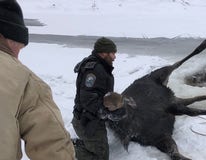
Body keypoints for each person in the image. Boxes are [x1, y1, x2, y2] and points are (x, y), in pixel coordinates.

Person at [0, 0, 75, 159]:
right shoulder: (24, 81)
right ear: (7, 38)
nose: (18, 56)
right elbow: (52, 147)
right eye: (19, 47)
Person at [72, 37, 125, 160]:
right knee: (100, 157)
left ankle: (82, 144)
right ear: (104, 53)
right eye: (112, 53)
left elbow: (100, 94)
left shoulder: (100, 66)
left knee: (101, 151)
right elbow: (87, 98)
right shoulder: (95, 70)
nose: (114, 57)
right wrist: (106, 111)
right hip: (86, 121)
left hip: (92, 118)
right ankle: (67, 147)